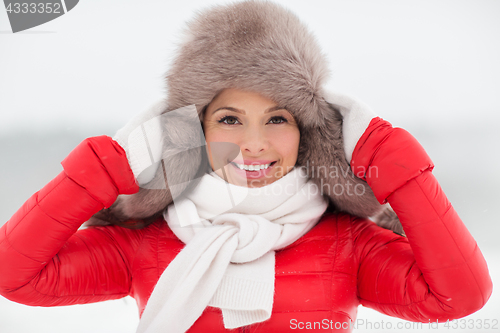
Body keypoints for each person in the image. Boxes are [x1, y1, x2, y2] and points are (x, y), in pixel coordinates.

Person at [0, 1, 492, 332]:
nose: (254, 144)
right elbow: (14, 276)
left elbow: (460, 297)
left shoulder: (351, 243)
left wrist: (391, 160)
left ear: (307, 134)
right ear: (193, 131)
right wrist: (111, 166)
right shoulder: (142, 243)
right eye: (230, 119)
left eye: (277, 118)